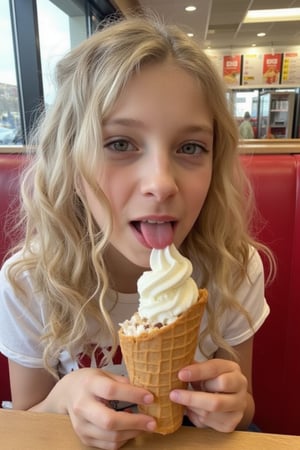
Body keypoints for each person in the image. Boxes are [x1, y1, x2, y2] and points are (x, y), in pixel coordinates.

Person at [0, 14, 274, 450]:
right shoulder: (31, 279)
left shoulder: (233, 266)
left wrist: (233, 406)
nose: (162, 184)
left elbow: (243, 410)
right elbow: (26, 419)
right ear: (71, 162)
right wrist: (64, 398)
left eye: (190, 147)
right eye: (120, 144)